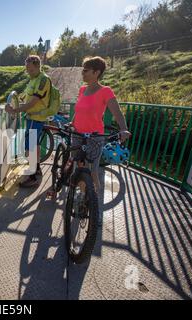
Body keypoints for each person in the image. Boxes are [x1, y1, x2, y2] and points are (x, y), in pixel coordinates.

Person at [71, 56, 131, 224]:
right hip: (77, 134)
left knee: (93, 170)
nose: (82, 73)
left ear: (97, 72)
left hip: (95, 137)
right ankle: (81, 197)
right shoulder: (82, 90)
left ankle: (94, 204)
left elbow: (117, 112)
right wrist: (73, 122)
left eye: (86, 70)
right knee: (80, 166)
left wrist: (123, 129)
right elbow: (79, 109)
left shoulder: (106, 91)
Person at [5, 55, 51, 188]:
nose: (28, 72)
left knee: (29, 149)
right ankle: (36, 172)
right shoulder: (33, 80)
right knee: (33, 147)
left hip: (36, 119)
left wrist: (15, 110)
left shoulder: (43, 80)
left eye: (30, 69)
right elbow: (23, 97)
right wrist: (12, 104)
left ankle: (34, 176)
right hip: (31, 118)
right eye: (27, 69)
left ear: (38, 66)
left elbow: (33, 102)